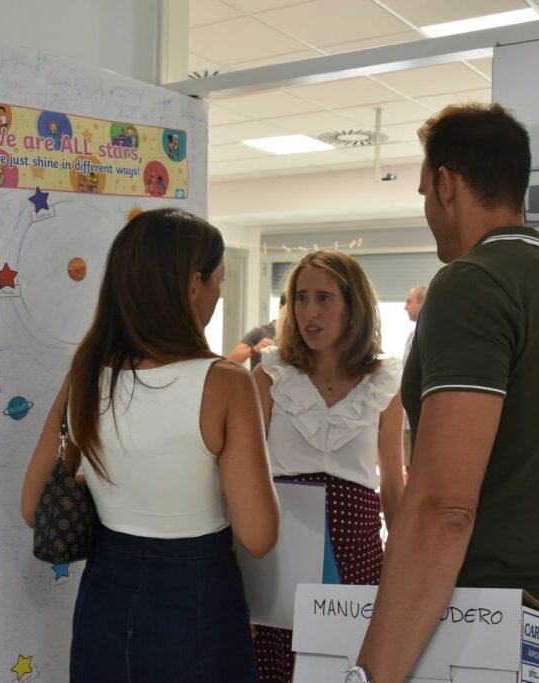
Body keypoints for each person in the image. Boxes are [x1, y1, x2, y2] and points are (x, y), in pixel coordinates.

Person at [353, 103, 539, 683]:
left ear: (448, 185)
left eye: (425, 191)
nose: (427, 208)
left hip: (493, 630)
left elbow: (443, 509)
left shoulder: (471, 284)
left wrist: (369, 675)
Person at [20, 208, 280, 682]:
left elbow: (33, 505)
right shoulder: (224, 382)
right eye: (218, 281)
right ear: (192, 284)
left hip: (105, 593)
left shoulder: (85, 373)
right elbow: (259, 535)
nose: (219, 296)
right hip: (197, 593)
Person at [252, 251, 404, 683]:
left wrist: (404, 572)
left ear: (353, 306)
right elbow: (238, 478)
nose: (308, 312)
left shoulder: (384, 383)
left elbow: (393, 485)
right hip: (281, 553)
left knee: (350, 668)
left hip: (358, 552)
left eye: (323, 298)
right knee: (277, 668)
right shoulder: (269, 376)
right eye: (300, 298)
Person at [401, 285, 426, 472]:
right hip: (406, 420)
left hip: (421, 419)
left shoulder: (429, 335)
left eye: (409, 301)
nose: (405, 306)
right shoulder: (412, 336)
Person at [228, 293, 286, 369]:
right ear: (281, 307)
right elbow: (230, 360)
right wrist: (254, 349)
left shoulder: (300, 335)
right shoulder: (260, 332)